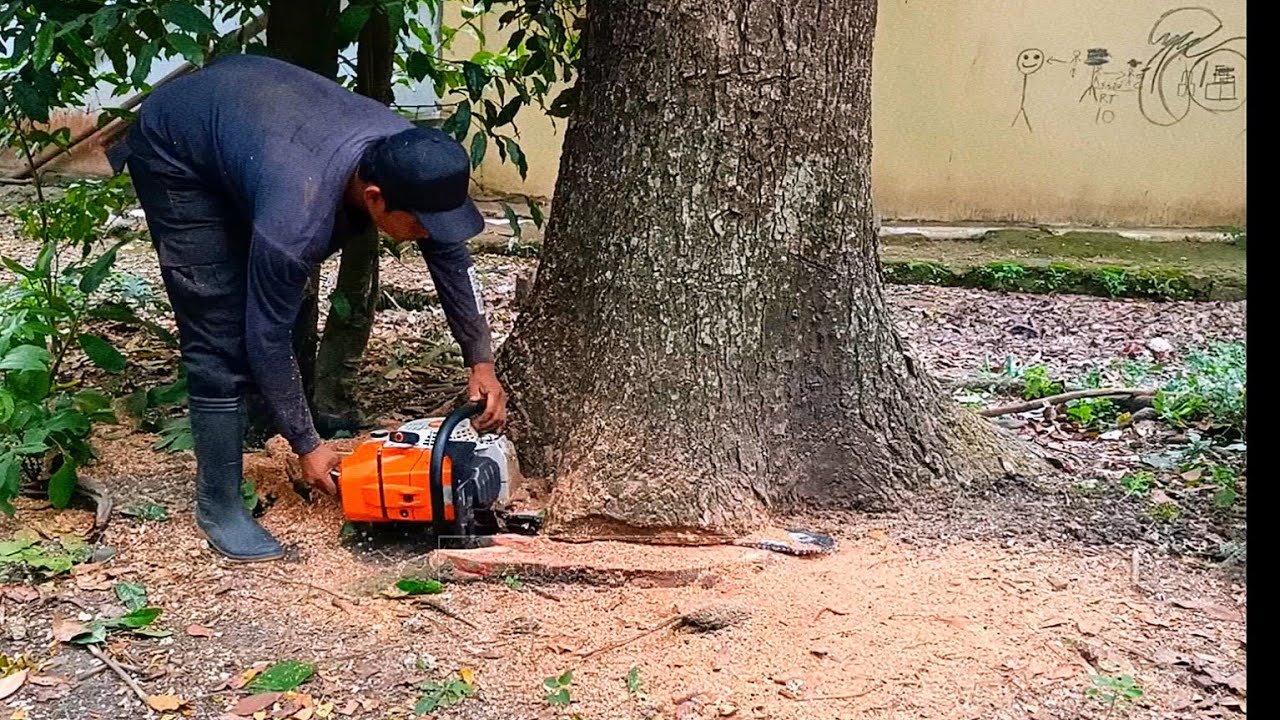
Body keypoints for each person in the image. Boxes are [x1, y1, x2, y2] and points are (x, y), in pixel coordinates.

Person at [109, 54, 508, 562]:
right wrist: (306, 443)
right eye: (422, 224)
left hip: (256, 130)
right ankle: (219, 504)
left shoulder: (410, 159)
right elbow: (265, 335)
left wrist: (481, 360)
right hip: (179, 145)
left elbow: (450, 257)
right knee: (219, 330)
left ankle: (258, 420)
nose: (431, 235)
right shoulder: (297, 217)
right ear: (375, 197)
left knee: (272, 301)